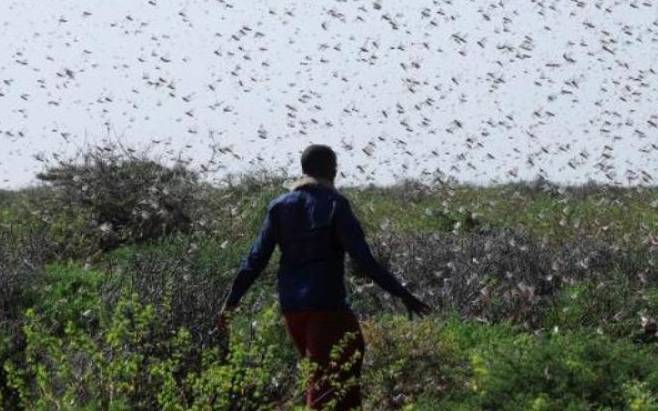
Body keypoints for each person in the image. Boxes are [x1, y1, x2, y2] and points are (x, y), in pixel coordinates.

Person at [217, 144, 431, 410]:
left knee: (329, 378)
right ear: (332, 170)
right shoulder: (335, 204)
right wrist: (403, 295)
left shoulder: (279, 207)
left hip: (293, 311)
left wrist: (230, 304)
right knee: (328, 387)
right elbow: (365, 261)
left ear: (304, 169)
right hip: (327, 309)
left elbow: (255, 260)